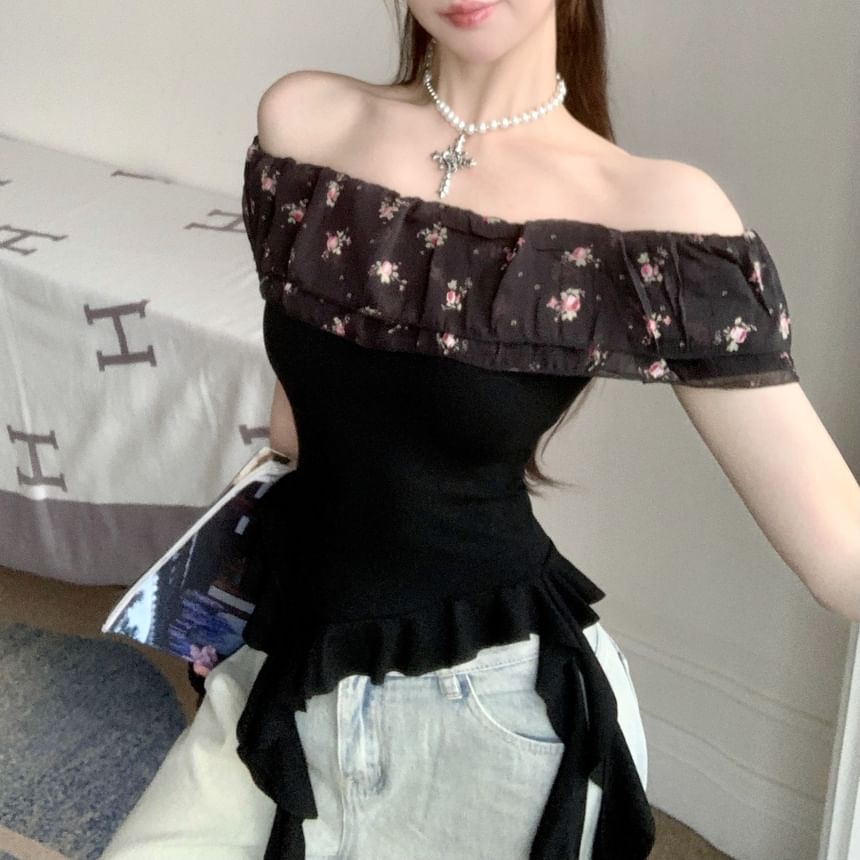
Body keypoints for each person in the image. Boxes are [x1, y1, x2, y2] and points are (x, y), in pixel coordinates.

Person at [102, 1, 860, 858]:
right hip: (289, 655)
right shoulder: (305, 123)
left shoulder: (651, 212)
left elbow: (840, 552)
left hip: (487, 709)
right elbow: (299, 422)